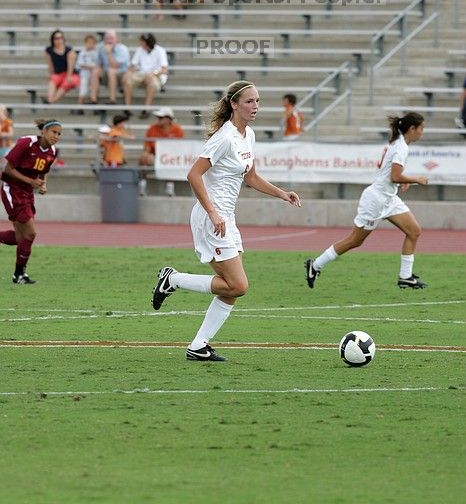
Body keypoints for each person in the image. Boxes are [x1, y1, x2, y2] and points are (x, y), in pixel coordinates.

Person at [150, 80, 301, 361]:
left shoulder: (248, 136)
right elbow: (193, 175)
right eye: (249, 101)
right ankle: (173, 279)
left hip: (226, 218)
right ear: (234, 104)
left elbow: (251, 177)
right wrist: (212, 212)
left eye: (257, 101)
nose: (255, 106)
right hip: (212, 218)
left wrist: (282, 193)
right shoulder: (224, 137)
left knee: (231, 288)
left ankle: (198, 345)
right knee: (238, 285)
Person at [305, 112, 429, 291]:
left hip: (389, 198)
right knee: (355, 240)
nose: (422, 132)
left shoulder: (400, 144)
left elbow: (393, 175)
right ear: (412, 129)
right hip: (376, 200)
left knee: (414, 231)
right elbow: (394, 176)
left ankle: (405, 277)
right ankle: (315, 265)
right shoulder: (401, 147)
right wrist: (416, 179)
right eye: (421, 128)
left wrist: (406, 180)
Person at [0, 117, 62, 284]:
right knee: (31, 233)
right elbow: (7, 170)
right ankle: (19, 274)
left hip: (27, 192)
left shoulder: (53, 151)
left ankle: (18, 275)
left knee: (22, 239)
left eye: (59, 134)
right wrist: (31, 182)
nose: (56, 136)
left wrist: (43, 184)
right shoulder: (27, 142)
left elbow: (43, 170)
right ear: (44, 131)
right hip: (12, 189)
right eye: (53, 132)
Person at [138, 107, 185, 196]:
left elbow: (180, 148)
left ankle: (170, 187)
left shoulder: (177, 130)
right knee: (143, 158)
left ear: (168, 119)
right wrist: (146, 154)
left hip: (171, 157)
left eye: (161, 118)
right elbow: (147, 147)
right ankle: (142, 185)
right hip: (155, 156)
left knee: (171, 160)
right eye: (158, 118)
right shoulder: (152, 129)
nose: (158, 119)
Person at [123, 33, 168, 117]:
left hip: (155, 76)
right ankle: (127, 108)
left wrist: (153, 73)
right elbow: (132, 65)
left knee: (150, 81)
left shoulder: (160, 51)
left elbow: (164, 70)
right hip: (142, 74)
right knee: (128, 80)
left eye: (142, 41)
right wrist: (128, 73)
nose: (140, 43)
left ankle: (146, 109)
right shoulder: (140, 50)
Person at [90, 30, 130, 105]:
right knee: (95, 71)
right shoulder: (102, 48)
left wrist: (109, 53)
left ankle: (112, 99)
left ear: (116, 39)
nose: (109, 41)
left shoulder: (122, 49)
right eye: (107, 38)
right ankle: (93, 99)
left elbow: (115, 66)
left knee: (111, 71)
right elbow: (99, 64)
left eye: (111, 38)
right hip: (107, 73)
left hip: (121, 74)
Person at [44, 29, 80, 104]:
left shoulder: (69, 50)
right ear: (53, 40)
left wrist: (68, 77)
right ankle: (50, 98)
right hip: (59, 73)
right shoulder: (49, 50)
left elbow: (71, 67)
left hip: (70, 73)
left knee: (67, 82)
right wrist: (51, 75)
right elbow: (50, 66)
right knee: (53, 80)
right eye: (57, 38)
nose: (59, 40)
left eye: (61, 38)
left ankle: (52, 101)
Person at [75, 34, 98, 107]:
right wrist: (90, 66)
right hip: (84, 74)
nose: (90, 45)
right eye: (88, 43)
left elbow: (97, 64)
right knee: (83, 90)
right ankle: (80, 105)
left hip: (93, 75)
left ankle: (94, 104)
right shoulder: (82, 53)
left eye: (92, 43)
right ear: (85, 43)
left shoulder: (96, 53)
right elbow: (80, 64)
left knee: (94, 89)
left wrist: (89, 66)